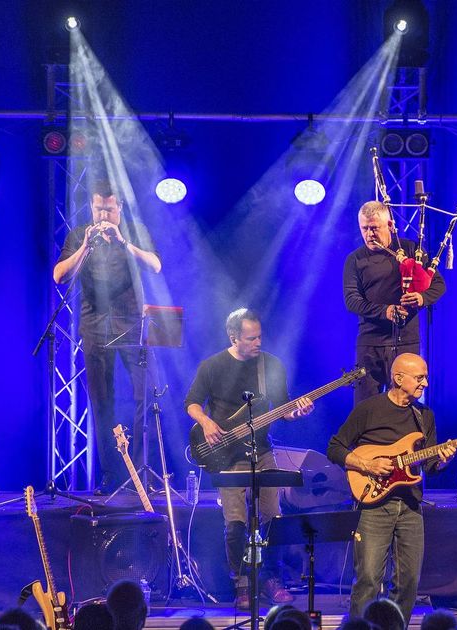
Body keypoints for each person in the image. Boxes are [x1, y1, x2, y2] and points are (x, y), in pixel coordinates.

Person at [184, 308, 312, 608]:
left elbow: (284, 408)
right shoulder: (212, 365)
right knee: (236, 522)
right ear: (234, 338)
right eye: (250, 338)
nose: (257, 343)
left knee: (271, 517)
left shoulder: (270, 365)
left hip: (262, 451)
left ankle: (269, 577)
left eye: (259, 337)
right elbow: (191, 403)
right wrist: (206, 422)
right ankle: (241, 582)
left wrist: (298, 412)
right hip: (226, 456)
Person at [53, 179, 162, 494]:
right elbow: (59, 275)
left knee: (146, 396)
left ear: (120, 208)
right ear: (91, 206)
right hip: (94, 326)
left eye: (109, 208)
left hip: (132, 325)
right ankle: (111, 475)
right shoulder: (80, 235)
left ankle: (140, 471)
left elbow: (156, 265)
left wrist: (124, 242)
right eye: (98, 207)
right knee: (102, 403)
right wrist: (86, 245)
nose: (103, 214)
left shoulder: (133, 230)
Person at [327, 353, 455, 618]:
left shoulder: (424, 416)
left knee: (408, 582)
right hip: (374, 506)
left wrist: (442, 461)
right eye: (420, 378)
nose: (425, 384)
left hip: (410, 506)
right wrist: (367, 466)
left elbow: (430, 465)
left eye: (426, 378)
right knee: (369, 580)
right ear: (398, 378)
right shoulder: (368, 409)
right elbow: (335, 448)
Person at [343, 200, 446, 403]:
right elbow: (351, 300)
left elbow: (439, 285)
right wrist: (385, 311)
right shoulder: (355, 260)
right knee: (366, 406)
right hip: (370, 344)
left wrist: (421, 298)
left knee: (405, 404)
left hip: (406, 341)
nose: (369, 235)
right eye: (365, 228)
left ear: (390, 225)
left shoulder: (411, 250)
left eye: (374, 228)